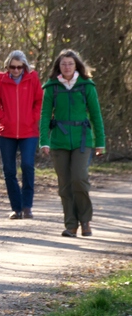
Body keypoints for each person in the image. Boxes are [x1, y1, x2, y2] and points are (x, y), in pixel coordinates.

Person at [40, 49, 105, 237]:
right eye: (63, 64)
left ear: (76, 65)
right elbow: (44, 116)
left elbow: (95, 115)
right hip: (59, 141)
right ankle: (70, 225)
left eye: (70, 63)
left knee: (79, 179)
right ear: (58, 67)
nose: (67, 67)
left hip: (82, 141)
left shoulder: (87, 86)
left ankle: (85, 221)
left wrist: (100, 141)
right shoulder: (51, 87)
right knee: (65, 185)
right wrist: (44, 141)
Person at [0, 50, 44, 220]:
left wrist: (32, 119)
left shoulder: (32, 79)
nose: (16, 70)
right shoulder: (0, 80)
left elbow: (39, 101)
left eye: (20, 67)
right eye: (12, 67)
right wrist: (4, 119)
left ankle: (27, 206)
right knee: (9, 170)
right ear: (8, 66)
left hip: (29, 132)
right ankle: (16, 208)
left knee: (27, 166)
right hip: (6, 132)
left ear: (24, 66)